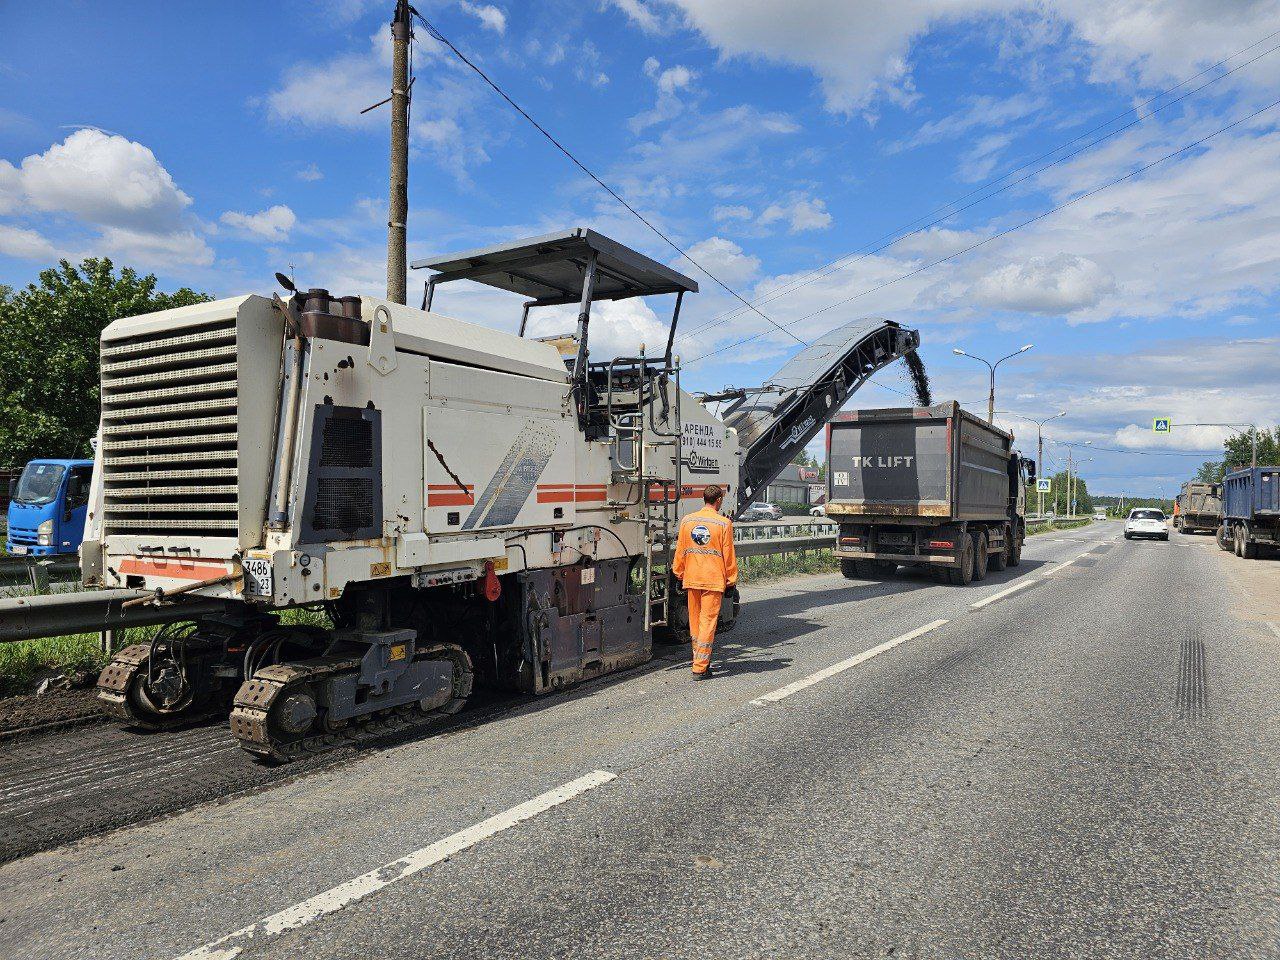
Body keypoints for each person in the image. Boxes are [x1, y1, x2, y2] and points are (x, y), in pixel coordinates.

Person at [671, 484, 738, 680]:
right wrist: (731, 581)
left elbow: (681, 550)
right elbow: (728, 556)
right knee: (707, 623)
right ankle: (700, 667)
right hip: (713, 581)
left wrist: (678, 573)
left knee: (695, 623)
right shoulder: (723, 524)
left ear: (704, 499)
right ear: (719, 500)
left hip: (692, 579)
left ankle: (699, 660)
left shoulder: (687, 521)